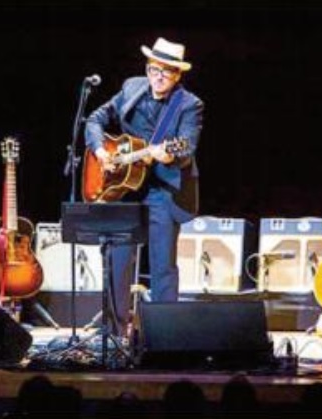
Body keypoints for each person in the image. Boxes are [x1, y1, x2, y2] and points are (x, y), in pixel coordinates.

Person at [84, 37, 204, 338]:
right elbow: (96, 119)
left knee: (163, 266)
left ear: (178, 75)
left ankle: (165, 337)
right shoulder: (132, 87)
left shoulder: (190, 105)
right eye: (153, 69)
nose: (157, 77)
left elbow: (186, 147)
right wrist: (101, 151)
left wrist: (170, 154)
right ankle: (112, 335)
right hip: (124, 187)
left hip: (163, 190)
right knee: (117, 261)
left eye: (165, 72)